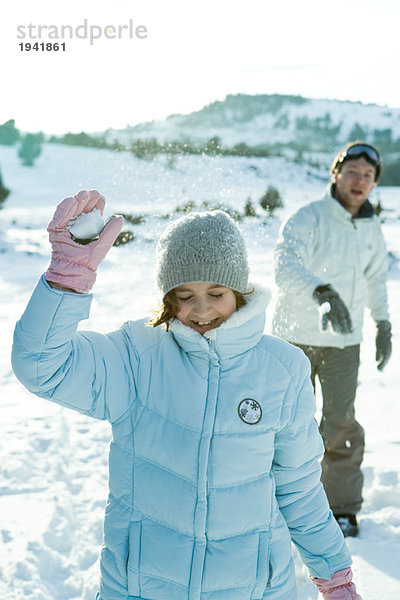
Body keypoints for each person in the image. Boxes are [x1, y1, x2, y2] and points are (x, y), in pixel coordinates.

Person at [12, 190, 363, 600]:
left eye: (216, 293)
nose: (201, 310)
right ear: (166, 297)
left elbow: (299, 489)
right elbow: (40, 366)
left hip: (253, 590)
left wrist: (335, 578)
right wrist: (66, 279)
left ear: (240, 290)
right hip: (142, 588)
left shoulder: (282, 369)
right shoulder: (135, 356)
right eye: (184, 296)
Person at [272, 142, 392, 538]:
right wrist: (322, 291)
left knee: (340, 423)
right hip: (294, 339)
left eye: (368, 176)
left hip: (345, 342)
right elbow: (284, 264)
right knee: (290, 425)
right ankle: (279, 503)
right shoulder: (309, 217)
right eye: (353, 171)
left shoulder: (372, 227)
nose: (360, 181)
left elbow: (375, 278)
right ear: (335, 173)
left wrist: (383, 323)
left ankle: (339, 507)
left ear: (375, 184)